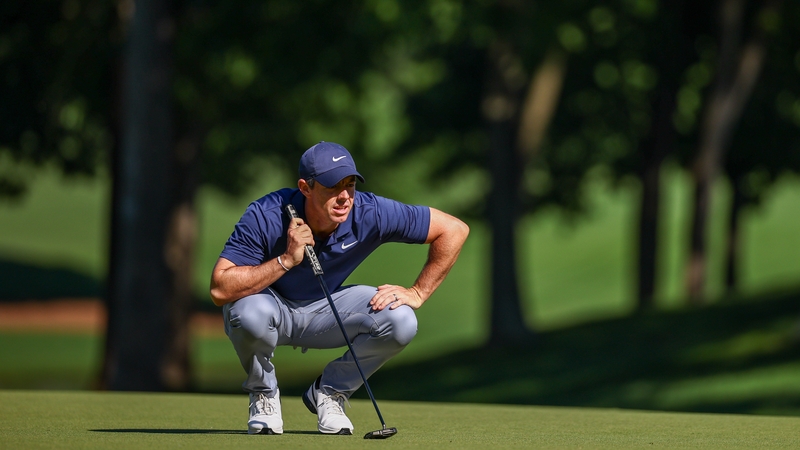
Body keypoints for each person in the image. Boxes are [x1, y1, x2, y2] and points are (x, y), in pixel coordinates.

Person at [209, 141, 469, 435]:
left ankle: (330, 392)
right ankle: (264, 395)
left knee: (401, 319)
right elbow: (220, 289)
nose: (345, 197)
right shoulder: (266, 213)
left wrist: (418, 292)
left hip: (325, 309)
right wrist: (285, 260)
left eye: (350, 185)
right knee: (247, 312)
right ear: (306, 187)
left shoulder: (371, 212)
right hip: (271, 306)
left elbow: (454, 229)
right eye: (333, 187)